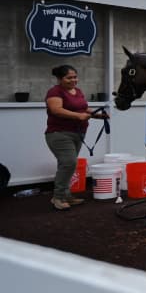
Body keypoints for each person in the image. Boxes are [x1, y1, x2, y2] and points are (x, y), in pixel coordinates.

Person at [45, 64, 108, 211]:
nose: (73, 80)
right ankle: (58, 197)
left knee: (68, 165)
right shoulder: (55, 91)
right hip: (59, 133)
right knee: (69, 163)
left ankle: (66, 195)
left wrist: (97, 115)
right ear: (60, 79)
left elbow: (83, 108)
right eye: (69, 78)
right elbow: (56, 110)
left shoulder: (77, 91)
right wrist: (78, 116)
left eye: (75, 77)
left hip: (78, 133)